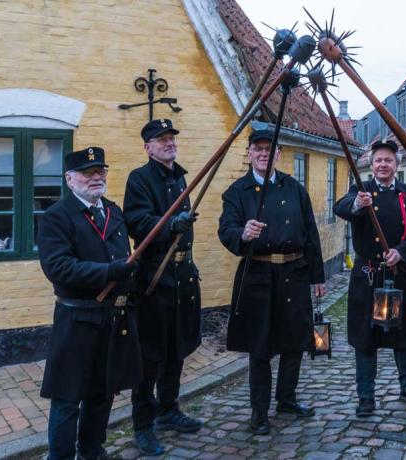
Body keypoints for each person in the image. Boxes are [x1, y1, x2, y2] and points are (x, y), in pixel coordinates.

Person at [218, 128, 327, 435]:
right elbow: (225, 230)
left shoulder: (294, 188)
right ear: (250, 153)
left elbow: (310, 233)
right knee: (261, 347)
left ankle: (287, 399)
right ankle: (259, 411)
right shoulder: (237, 192)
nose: (264, 154)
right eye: (259, 149)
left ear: (279, 154)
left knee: (295, 342)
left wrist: (317, 276)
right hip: (258, 276)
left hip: (294, 273)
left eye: (270, 149)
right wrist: (242, 234)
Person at [38, 147, 142, 460]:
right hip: (77, 320)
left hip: (112, 318)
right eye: (87, 172)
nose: (96, 177)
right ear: (70, 179)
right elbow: (58, 267)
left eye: (100, 171)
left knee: (102, 392)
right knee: (68, 398)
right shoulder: (57, 216)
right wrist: (110, 271)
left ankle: (92, 450)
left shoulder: (112, 210)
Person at [334, 139, 406, 417]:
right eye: (378, 160)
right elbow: (340, 209)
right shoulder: (360, 191)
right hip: (368, 276)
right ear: (371, 164)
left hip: (401, 275)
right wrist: (357, 204)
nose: (383, 165)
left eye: (388, 160)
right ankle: (365, 396)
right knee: (365, 337)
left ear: (396, 165)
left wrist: (402, 253)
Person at [124, 119, 202, 455]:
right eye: (161, 139)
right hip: (155, 278)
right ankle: (143, 425)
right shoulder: (140, 179)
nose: (169, 143)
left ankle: (169, 410)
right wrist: (170, 224)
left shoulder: (180, 176)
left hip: (183, 277)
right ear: (148, 147)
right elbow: (137, 222)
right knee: (151, 356)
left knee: (176, 349)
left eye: (171, 138)